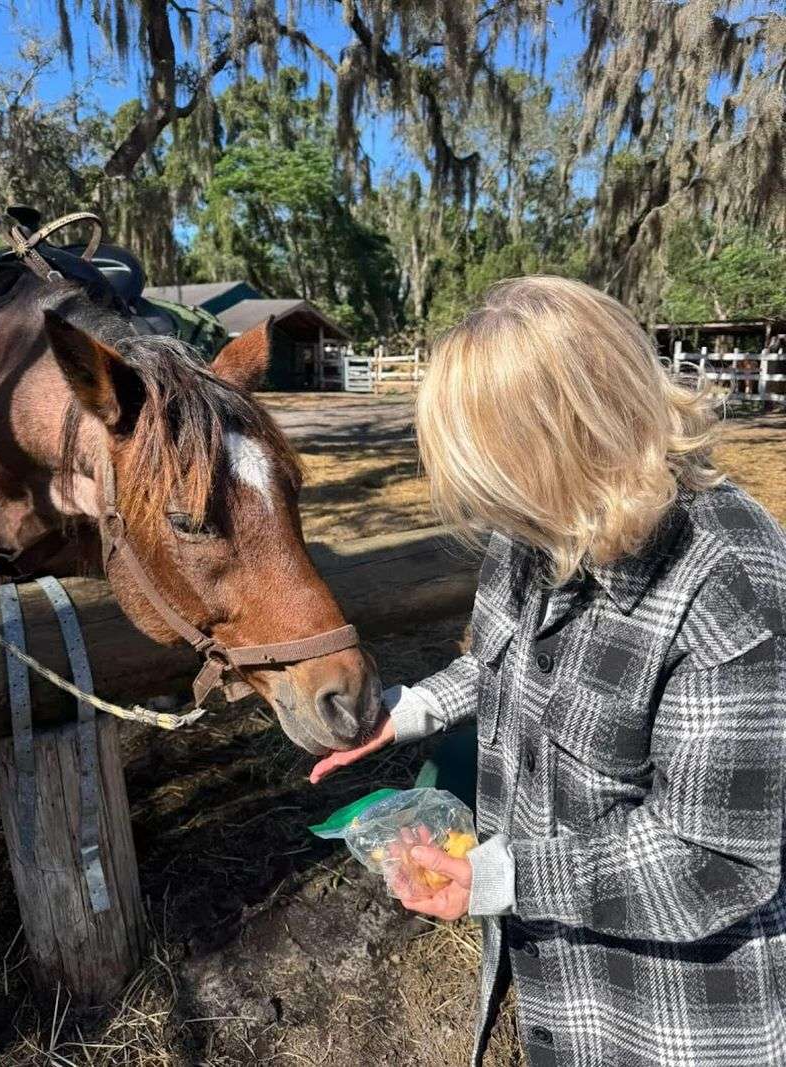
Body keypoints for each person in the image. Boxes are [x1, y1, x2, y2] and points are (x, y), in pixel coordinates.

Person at [311, 276, 786, 1067]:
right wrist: (410, 708)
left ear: (566, 442)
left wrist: (495, 876)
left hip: (676, 1015)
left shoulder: (727, 584)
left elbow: (719, 861)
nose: (491, 512)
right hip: (564, 991)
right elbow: (503, 664)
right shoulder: (541, 524)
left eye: (498, 478)